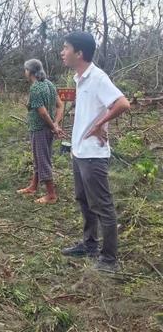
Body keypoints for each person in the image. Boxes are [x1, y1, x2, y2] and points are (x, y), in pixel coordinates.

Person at [60, 31, 130, 272]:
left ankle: (109, 259)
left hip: (94, 155)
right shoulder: (80, 78)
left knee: (103, 206)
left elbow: (122, 103)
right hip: (79, 152)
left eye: (66, 48)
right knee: (84, 200)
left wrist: (101, 124)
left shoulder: (98, 77)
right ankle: (89, 245)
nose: (62, 52)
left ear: (79, 53)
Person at [17, 59, 64, 204]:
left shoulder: (36, 88)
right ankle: (33, 186)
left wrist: (53, 126)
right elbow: (60, 106)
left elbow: (43, 113)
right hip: (47, 128)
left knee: (43, 160)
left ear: (29, 71)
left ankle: (51, 195)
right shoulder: (49, 84)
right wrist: (55, 124)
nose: (25, 72)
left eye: (25, 70)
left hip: (40, 129)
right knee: (39, 157)